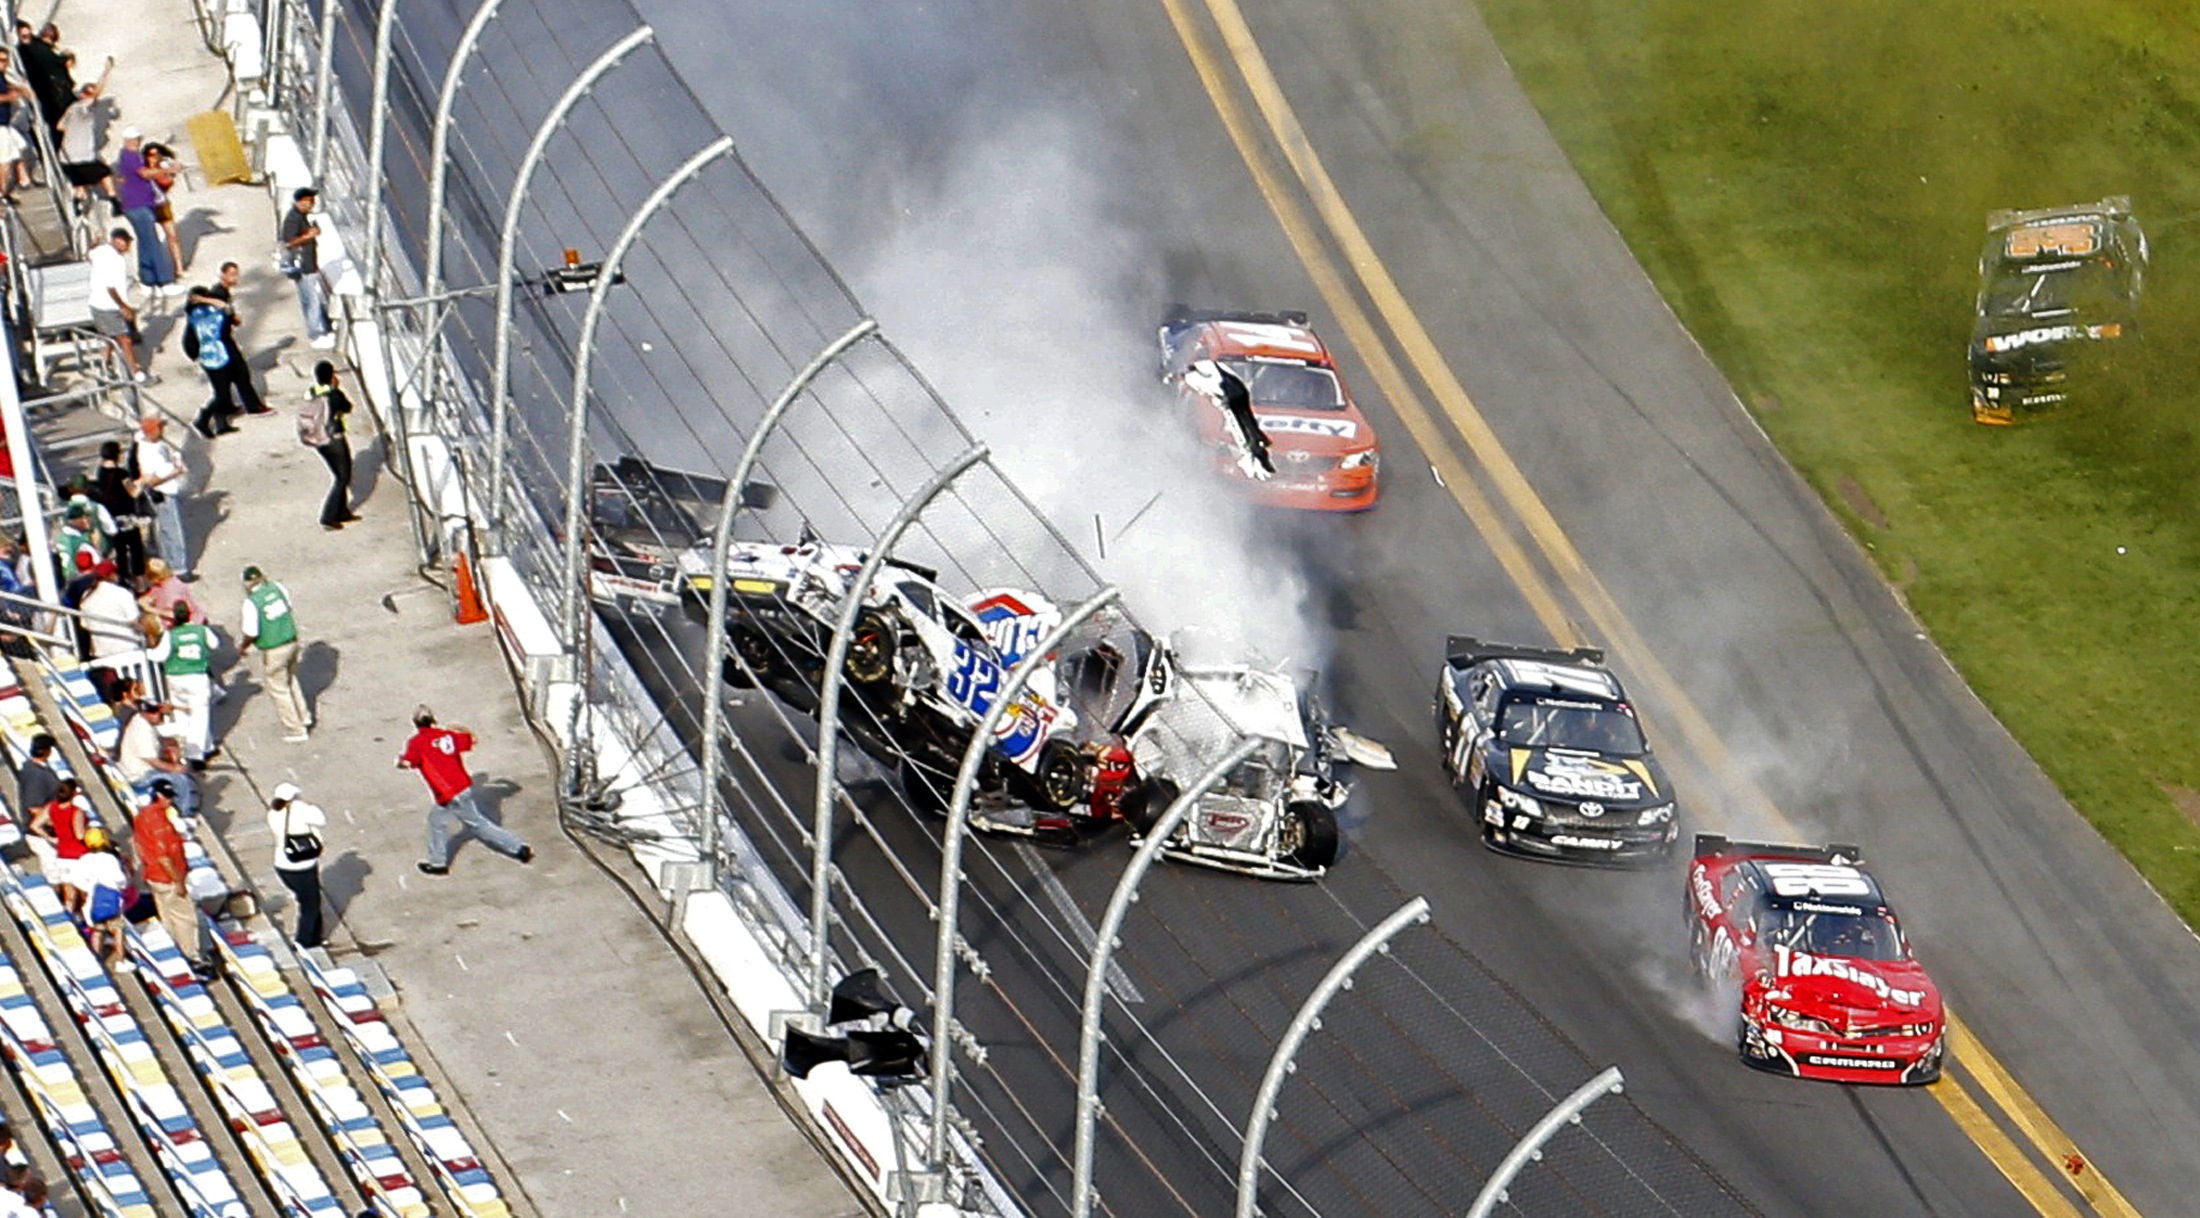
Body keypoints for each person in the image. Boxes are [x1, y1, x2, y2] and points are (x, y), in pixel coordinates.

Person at [399, 705, 531, 874]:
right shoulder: (447, 736)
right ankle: (437, 862)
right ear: (433, 720)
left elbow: (407, 763)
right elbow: (473, 739)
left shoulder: (417, 743)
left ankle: (518, 848)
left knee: (478, 824)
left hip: (449, 794)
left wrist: (399, 761)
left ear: (416, 724)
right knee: (436, 821)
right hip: (460, 788)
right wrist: (458, 728)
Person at [132, 779, 209, 978]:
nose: (170, 800)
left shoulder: (143, 816)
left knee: (168, 915)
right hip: (168, 878)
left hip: (154, 876)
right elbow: (164, 857)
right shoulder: (159, 822)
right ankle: (192, 957)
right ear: (157, 795)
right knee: (185, 918)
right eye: (167, 796)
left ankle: (178, 951)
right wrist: (179, 881)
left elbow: (140, 845)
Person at [240, 565, 309, 742]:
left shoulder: (252, 602)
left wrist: (243, 646)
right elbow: (289, 607)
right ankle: (303, 715)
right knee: (291, 679)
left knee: (278, 688)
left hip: (274, 648)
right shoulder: (278, 587)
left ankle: (296, 729)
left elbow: (251, 631)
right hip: (291, 640)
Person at [151, 603, 218, 769]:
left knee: (182, 713)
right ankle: (195, 755)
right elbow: (215, 644)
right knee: (200, 715)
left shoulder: (171, 635)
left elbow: (159, 656)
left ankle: (207, 747)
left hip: (175, 678)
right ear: (189, 615)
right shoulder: (201, 630)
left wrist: (147, 651)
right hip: (197, 676)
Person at [197, 262, 267, 414]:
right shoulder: (219, 293)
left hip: (220, 340)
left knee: (230, 375)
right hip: (222, 340)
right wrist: (233, 318)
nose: (236, 278)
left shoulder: (222, 292)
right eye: (232, 274)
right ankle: (253, 406)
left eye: (237, 274)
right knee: (241, 372)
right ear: (223, 275)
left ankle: (229, 406)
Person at [112, 128, 175, 295]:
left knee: (146, 243)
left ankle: (148, 281)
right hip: (138, 205)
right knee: (152, 244)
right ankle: (164, 281)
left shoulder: (128, 155)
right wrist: (167, 170)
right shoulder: (131, 156)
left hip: (138, 204)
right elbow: (145, 174)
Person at [266, 782, 325, 949]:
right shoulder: (300, 810)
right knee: (310, 906)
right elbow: (321, 819)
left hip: (283, 865)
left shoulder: (273, 813)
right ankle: (304, 942)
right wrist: (306, 804)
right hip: (303, 866)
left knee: (308, 900)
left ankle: (315, 936)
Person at [115, 699, 197, 817]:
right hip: (139, 775)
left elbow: (158, 740)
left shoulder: (140, 719)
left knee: (171, 744)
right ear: (145, 713)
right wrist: (175, 768)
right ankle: (183, 812)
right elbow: (154, 762)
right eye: (153, 713)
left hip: (141, 768)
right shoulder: (142, 732)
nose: (157, 715)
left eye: (158, 712)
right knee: (180, 779)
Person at [302, 360, 359, 529]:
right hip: (334, 439)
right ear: (331, 376)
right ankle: (328, 516)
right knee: (343, 477)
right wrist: (336, 388)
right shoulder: (334, 393)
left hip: (318, 440)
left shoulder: (311, 392)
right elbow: (347, 408)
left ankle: (342, 511)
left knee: (339, 475)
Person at [87, 228, 148, 382]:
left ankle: (104, 368)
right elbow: (110, 288)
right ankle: (136, 373)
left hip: (96, 304)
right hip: (108, 306)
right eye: (125, 242)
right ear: (116, 241)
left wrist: (94, 243)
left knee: (109, 338)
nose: (128, 246)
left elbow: (88, 254)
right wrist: (123, 307)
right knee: (124, 340)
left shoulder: (101, 251)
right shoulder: (116, 261)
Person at [183, 286, 245, 437]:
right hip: (217, 356)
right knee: (221, 394)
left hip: (208, 357)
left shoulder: (193, 315)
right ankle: (202, 419)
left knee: (221, 390)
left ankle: (221, 423)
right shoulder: (208, 314)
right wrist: (205, 299)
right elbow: (226, 308)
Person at [131, 414, 188, 575]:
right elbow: (151, 480)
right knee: (173, 531)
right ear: (152, 431)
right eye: (160, 427)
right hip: (164, 493)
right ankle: (180, 568)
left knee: (165, 531)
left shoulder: (148, 443)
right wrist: (176, 471)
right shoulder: (149, 452)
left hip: (161, 493)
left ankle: (170, 565)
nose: (163, 430)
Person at [278, 186, 334, 349]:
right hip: (302, 266)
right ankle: (315, 333)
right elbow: (288, 242)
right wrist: (308, 235)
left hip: (308, 264)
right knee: (312, 300)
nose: (313, 204)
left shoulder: (302, 216)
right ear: (301, 202)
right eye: (310, 201)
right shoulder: (293, 219)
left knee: (311, 299)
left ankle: (317, 330)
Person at [25, 777, 87, 916]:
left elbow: (34, 825)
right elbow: (79, 835)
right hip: (78, 854)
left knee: (68, 891)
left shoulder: (52, 807)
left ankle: (71, 916)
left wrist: (51, 838)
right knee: (84, 889)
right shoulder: (76, 811)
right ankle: (85, 917)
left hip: (62, 853)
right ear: (74, 793)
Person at [90, 440, 148, 580]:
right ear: (118, 455)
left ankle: (124, 578)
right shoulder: (122, 474)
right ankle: (139, 581)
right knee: (136, 550)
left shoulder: (101, 472)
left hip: (112, 518)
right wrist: (143, 481)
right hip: (126, 518)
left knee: (120, 551)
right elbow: (133, 493)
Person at [53, 68, 111, 206]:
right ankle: (114, 200)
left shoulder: (72, 109)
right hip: (82, 155)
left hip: (67, 157)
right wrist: (106, 72)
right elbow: (96, 95)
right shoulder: (83, 108)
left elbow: (60, 126)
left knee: (81, 184)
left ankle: (77, 203)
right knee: (105, 173)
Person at [76, 827, 130, 972]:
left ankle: (96, 962)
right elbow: (120, 879)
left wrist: (89, 888)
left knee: (97, 932)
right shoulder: (110, 859)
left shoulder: (83, 860)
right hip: (112, 901)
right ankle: (120, 960)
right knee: (117, 930)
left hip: (93, 903)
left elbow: (78, 882)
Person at [79, 559, 141, 672]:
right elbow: (134, 621)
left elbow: (84, 624)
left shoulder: (86, 596)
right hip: (127, 650)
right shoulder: (122, 593)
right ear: (111, 575)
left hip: (101, 652)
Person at [144, 140, 184, 276]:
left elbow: (170, 175)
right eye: (151, 155)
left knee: (173, 236)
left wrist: (169, 165)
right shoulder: (143, 169)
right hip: (147, 206)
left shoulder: (163, 165)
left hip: (161, 204)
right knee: (150, 240)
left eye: (157, 154)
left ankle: (179, 267)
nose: (154, 157)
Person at [13, 732, 58, 815]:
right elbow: (34, 808)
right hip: (47, 825)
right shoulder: (34, 774)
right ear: (47, 751)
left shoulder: (37, 770)